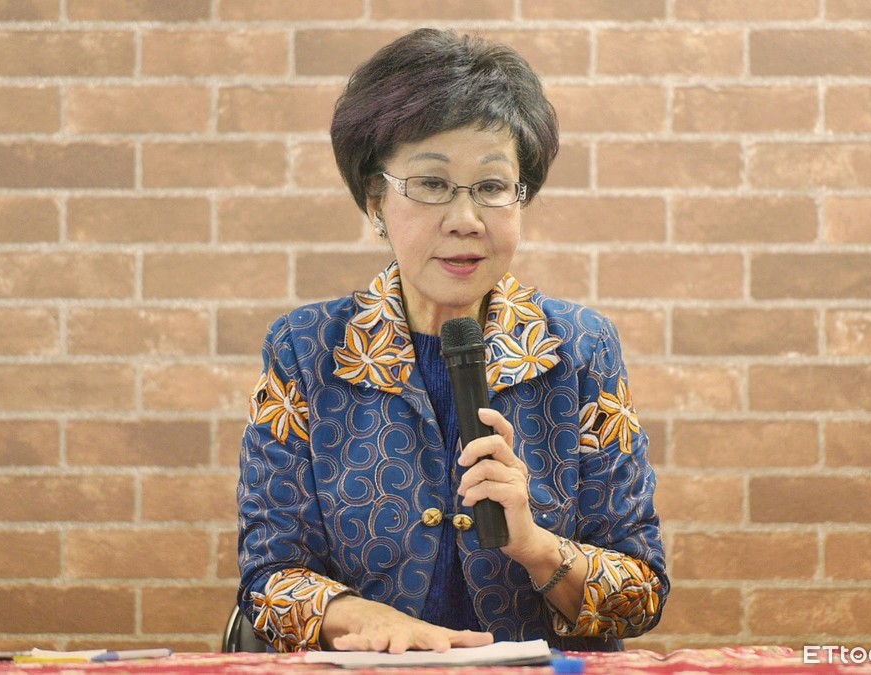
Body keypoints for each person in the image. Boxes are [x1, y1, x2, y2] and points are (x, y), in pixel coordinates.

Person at [237, 28, 668, 654]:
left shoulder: (579, 348)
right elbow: (269, 578)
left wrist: (536, 546)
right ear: (375, 200)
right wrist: (365, 619)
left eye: (491, 188)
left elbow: (643, 593)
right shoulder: (307, 350)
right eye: (432, 185)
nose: (465, 220)